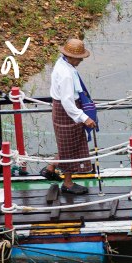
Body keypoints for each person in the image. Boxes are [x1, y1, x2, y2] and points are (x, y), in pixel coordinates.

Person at [40, 38, 97, 195]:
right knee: (70, 147)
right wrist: (84, 117)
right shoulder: (66, 74)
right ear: (71, 57)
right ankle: (68, 183)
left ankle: (51, 167)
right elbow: (67, 101)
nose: (80, 61)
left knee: (69, 143)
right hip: (67, 112)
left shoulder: (63, 63)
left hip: (65, 109)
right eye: (79, 58)